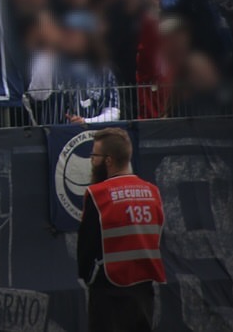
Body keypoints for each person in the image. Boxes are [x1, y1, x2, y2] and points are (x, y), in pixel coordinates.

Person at [77, 128, 165, 332]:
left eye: (94, 156)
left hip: (109, 289)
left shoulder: (98, 195)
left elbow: (86, 246)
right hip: (144, 288)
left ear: (108, 161)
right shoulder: (152, 192)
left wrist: (87, 276)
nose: (92, 160)